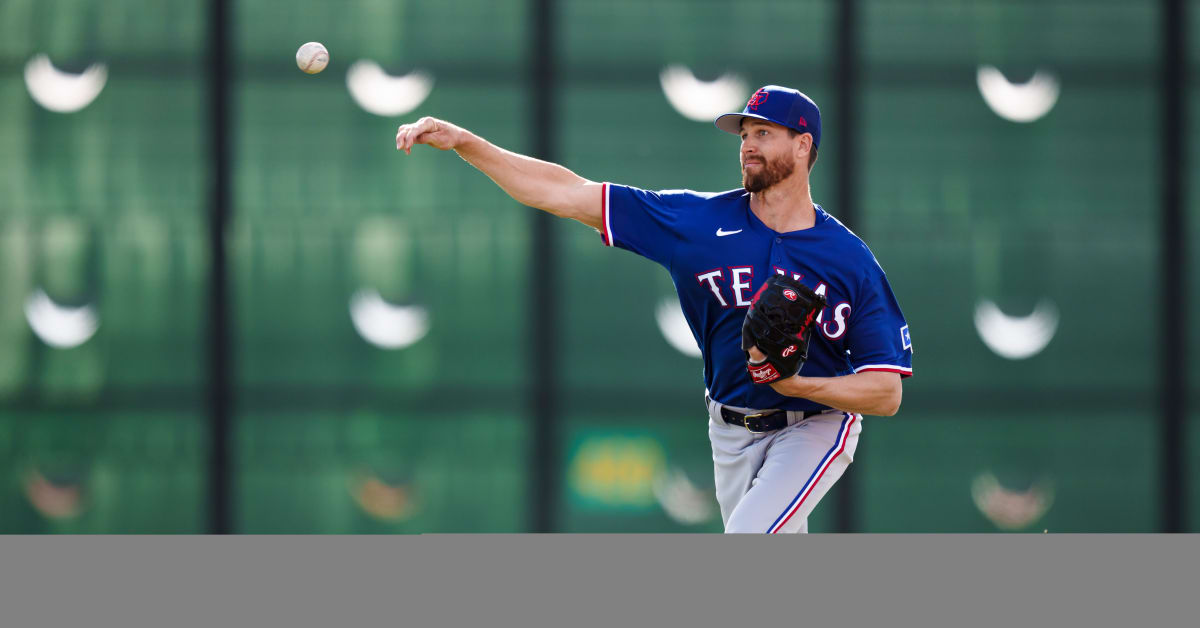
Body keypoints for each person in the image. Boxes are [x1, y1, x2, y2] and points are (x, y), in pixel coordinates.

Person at [395, 85, 913, 533]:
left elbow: (886, 392)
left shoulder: (849, 259)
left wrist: (797, 386)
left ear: (803, 146)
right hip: (729, 429)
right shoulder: (694, 223)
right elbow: (565, 191)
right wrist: (466, 142)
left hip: (815, 425)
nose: (748, 145)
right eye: (744, 134)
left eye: (764, 133)